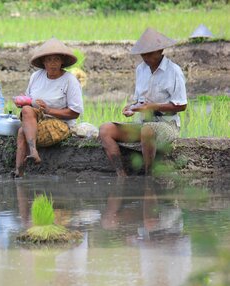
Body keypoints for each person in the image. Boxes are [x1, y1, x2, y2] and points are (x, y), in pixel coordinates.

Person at [99, 28, 187, 177]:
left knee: (148, 129)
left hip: (167, 125)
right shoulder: (141, 69)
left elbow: (181, 105)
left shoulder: (174, 71)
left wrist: (153, 106)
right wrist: (131, 108)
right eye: (143, 54)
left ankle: (148, 176)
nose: (145, 57)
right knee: (105, 129)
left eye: (149, 53)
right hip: (143, 125)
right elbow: (140, 101)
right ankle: (121, 175)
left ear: (160, 50)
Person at [11, 38, 84, 178]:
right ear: (43, 62)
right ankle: (31, 154)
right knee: (26, 110)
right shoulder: (36, 77)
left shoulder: (69, 80)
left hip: (60, 122)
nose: (53, 63)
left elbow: (75, 113)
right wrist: (21, 101)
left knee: (21, 132)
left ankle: (19, 171)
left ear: (62, 61)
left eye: (56, 59)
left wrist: (49, 110)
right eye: (49, 60)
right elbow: (28, 102)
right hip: (36, 119)